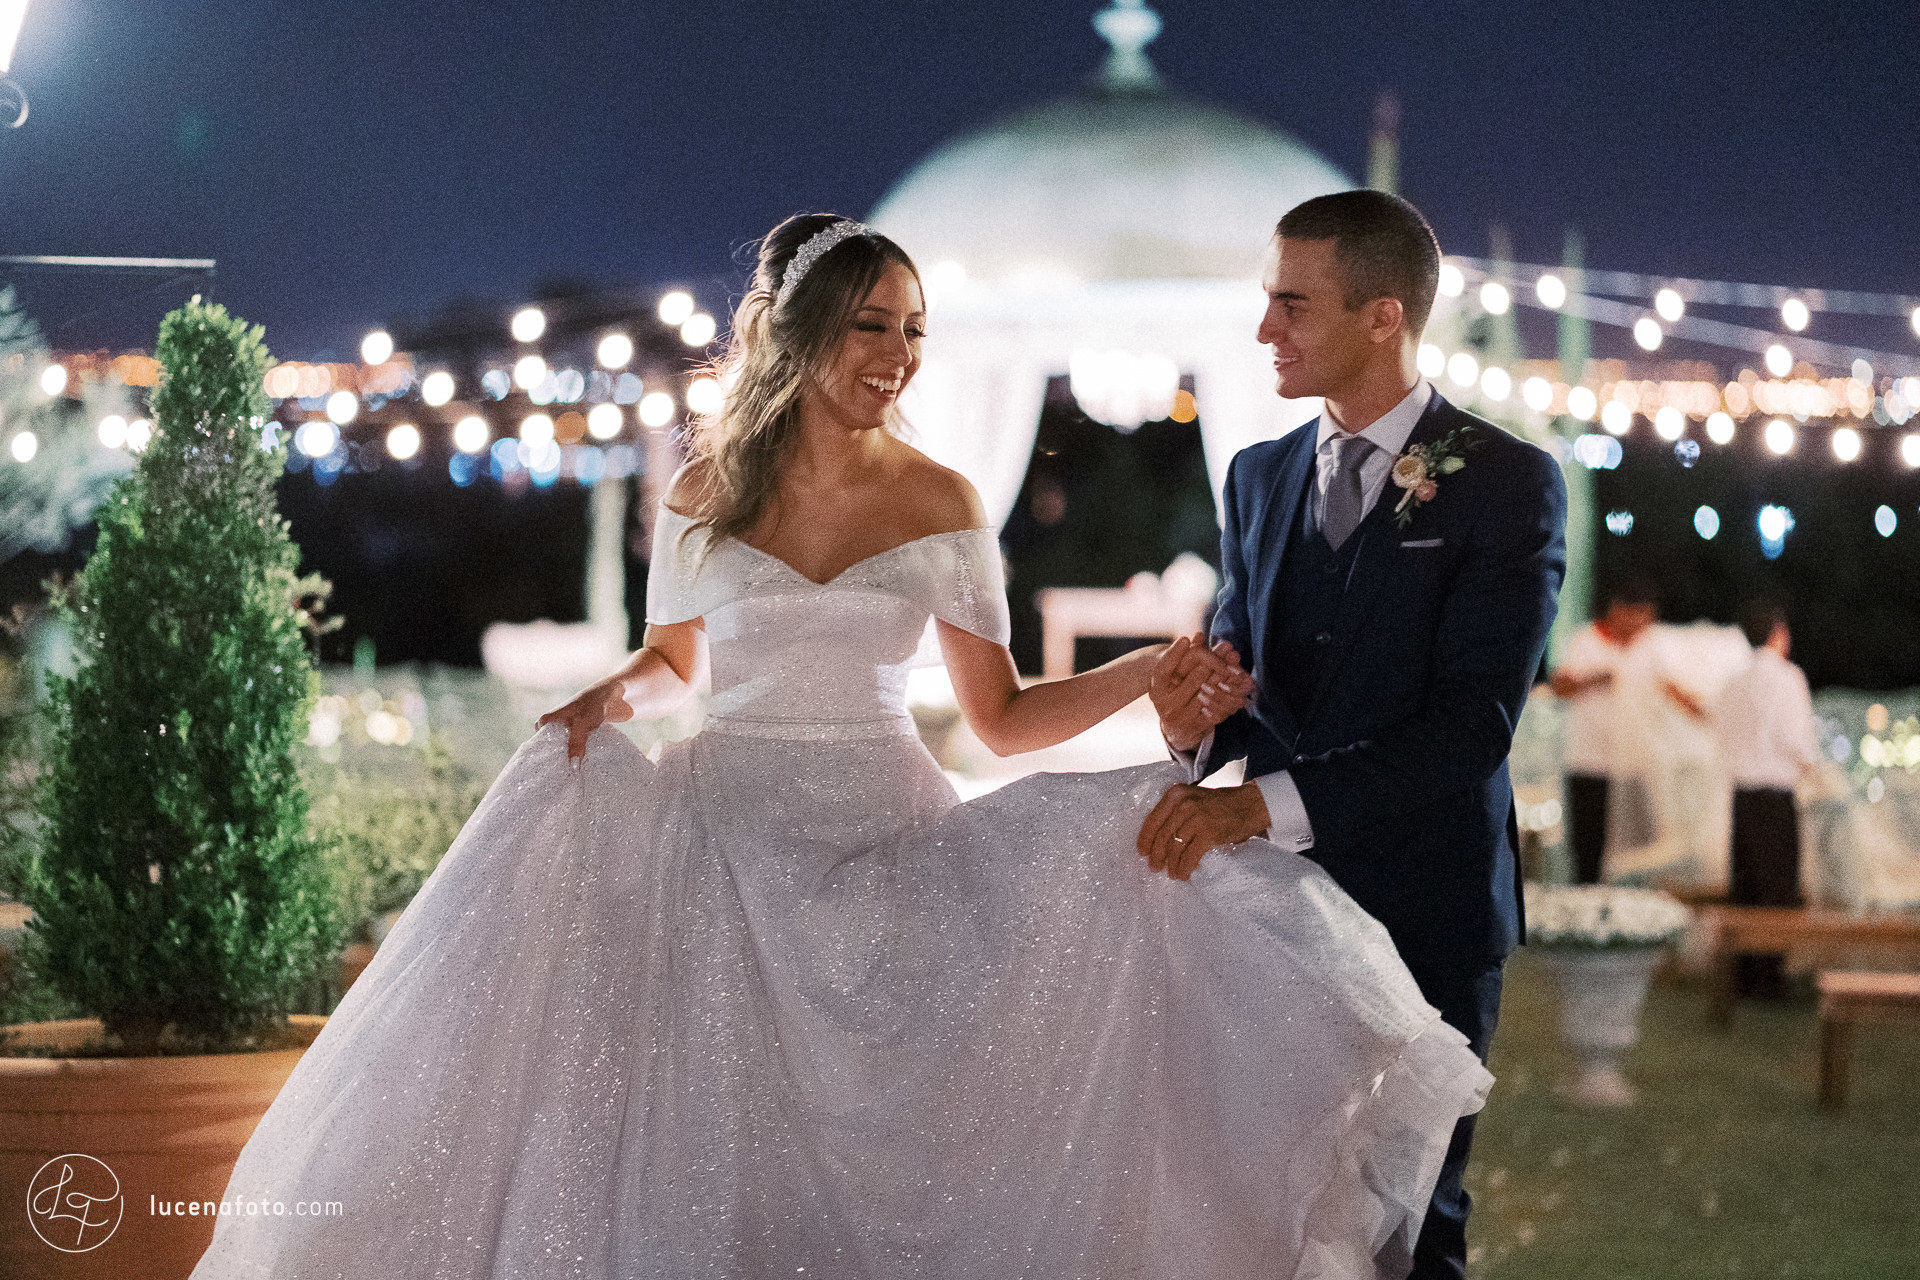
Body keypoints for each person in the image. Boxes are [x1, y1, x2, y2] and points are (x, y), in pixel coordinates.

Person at [190, 214, 1491, 1280]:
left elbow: (1000, 720)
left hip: (890, 841)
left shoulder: (941, 500)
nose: (898, 354)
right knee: (698, 1145)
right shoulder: (706, 489)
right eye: (873, 324)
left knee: (899, 1144)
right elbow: (680, 663)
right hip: (719, 842)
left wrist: (1144, 672)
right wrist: (607, 698)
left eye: (915, 330)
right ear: (804, 327)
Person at [1138, 191, 1567, 1280]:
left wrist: (1255, 805)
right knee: (1269, 1212)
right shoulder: (1258, 474)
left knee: (1408, 1226)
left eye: (1293, 303)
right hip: (1270, 918)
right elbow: (1241, 681)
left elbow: (1473, 726)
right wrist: (1193, 722)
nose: (1263, 330)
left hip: (1427, 909)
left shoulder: (1507, 481)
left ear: (1384, 316)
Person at [1711, 599, 1819, 996]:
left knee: (1747, 884)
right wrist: (1815, 769)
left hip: (1742, 795)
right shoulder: (1789, 678)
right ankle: (1770, 978)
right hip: (1775, 796)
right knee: (1776, 887)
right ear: (1778, 632)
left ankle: (1744, 975)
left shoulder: (1733, 682)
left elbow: (1721, 731)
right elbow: (1796, 740)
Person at [1549, 577, 1662, 885]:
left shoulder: (1646, 648)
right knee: (1587, 844)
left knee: (1633, 850)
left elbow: (1667, 687)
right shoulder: (1586, 640)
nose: (1643, 627)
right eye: (1640, 617)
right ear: (1619, 611)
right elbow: (1559, 685)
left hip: (1630, 765)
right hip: (1588, 762)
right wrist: (1594, 679)